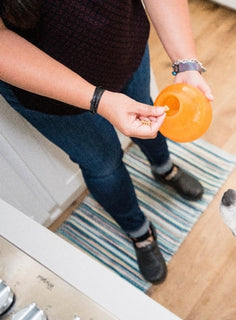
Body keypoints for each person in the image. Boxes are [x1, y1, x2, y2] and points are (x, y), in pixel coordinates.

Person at [0, 0, 214, 284]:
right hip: (48, 88)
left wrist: (186, 63)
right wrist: (99, 100)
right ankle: (140, 232)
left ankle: (164, 168)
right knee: (103, 164)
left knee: (151, 113)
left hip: (122, 46)